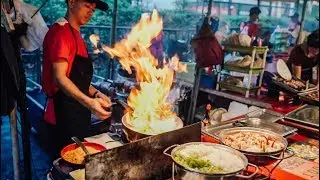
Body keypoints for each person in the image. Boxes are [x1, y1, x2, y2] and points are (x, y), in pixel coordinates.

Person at [42, 0, 111, 157]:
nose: (90, 12)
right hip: (62, 116)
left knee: (81, 163)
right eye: (87, 6)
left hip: (77, 113)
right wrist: (90, 103)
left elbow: (79, 80)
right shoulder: (61, 32)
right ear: (72, 2)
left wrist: (96, 94)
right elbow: (60, 77)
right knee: (67, 166)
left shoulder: (76, 34)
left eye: (93, 9)